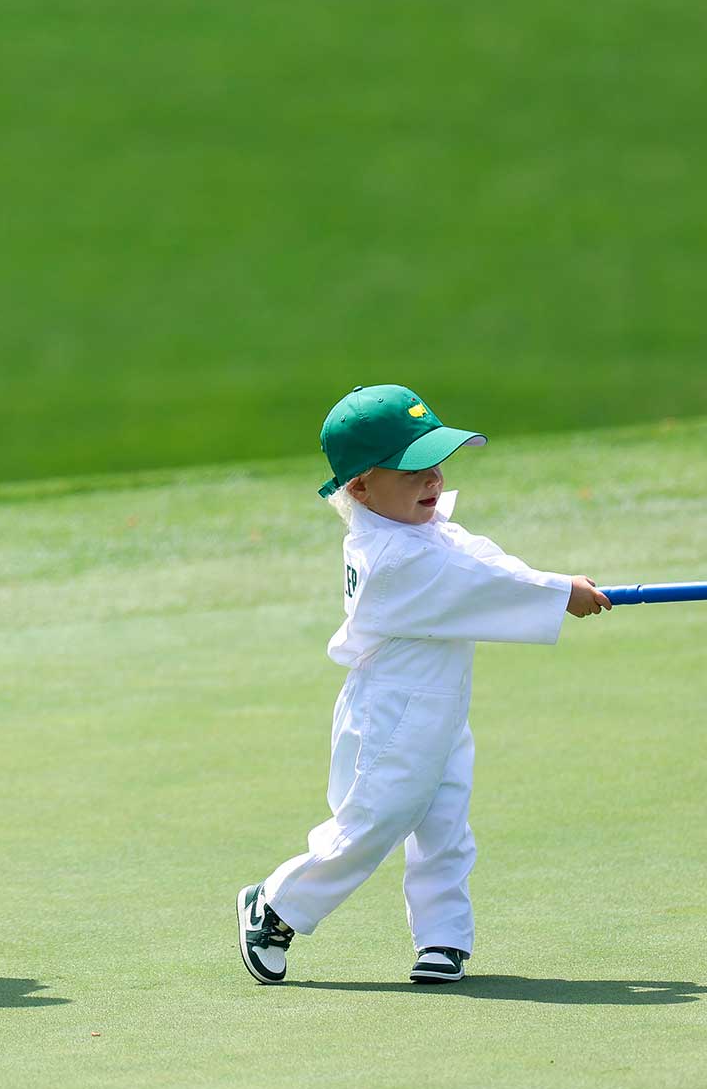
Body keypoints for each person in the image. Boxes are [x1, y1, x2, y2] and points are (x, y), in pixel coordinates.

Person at [236, 385, 611, 987]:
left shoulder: (418, 528)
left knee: (445, 827)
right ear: (360, 487)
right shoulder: (393, 557)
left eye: (436, 462)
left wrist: (550, 583)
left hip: (438, 706)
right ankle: (275, 903)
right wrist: (556, 592)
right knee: (376, 823)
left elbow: (478, 556)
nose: (433, 479)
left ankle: (443, 938)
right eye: (413, 469)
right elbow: (472, 579)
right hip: (391, 715)